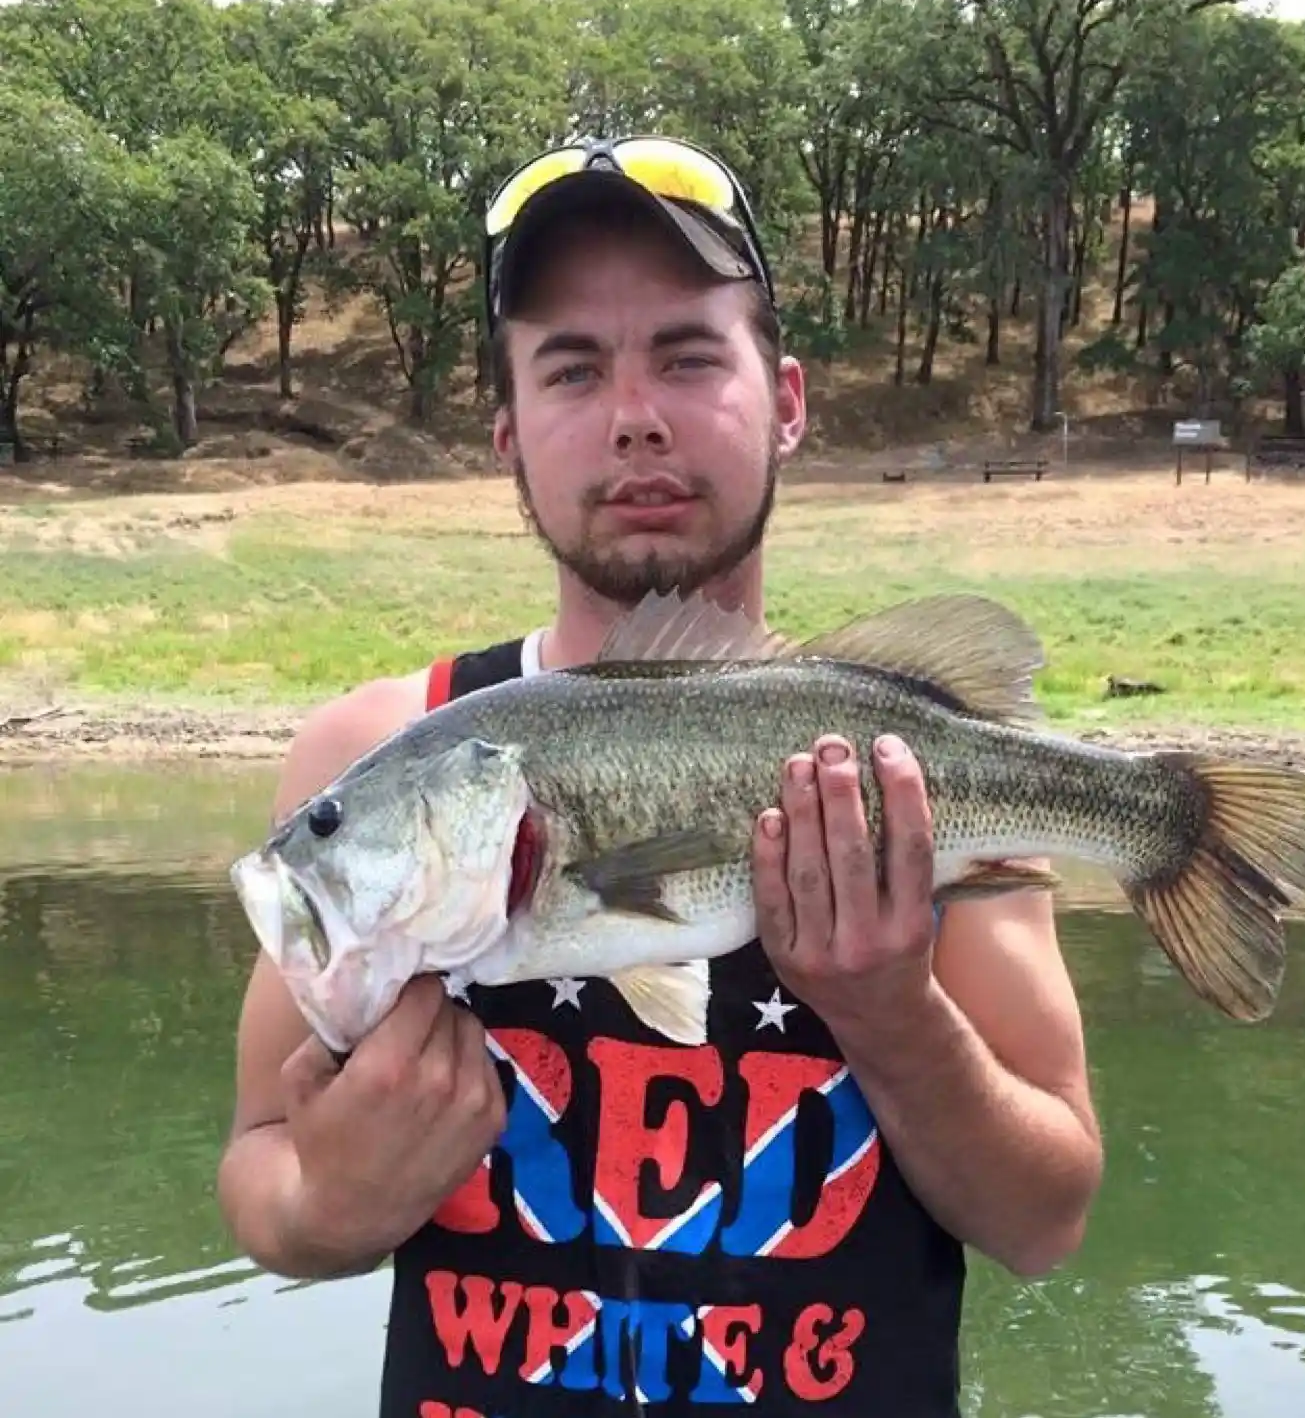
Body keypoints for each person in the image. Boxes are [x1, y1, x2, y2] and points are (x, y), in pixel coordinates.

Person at [216, 135, 1103, 1418]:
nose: (635, 412)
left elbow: (1046, 1221)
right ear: (509, 435)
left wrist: (893, 1016)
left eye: (688, 355)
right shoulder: (370, 753)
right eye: (573, 368)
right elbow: (258, 1164)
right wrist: (332, 1204)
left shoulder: (900, 764)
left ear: (786, 398)